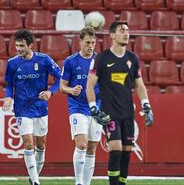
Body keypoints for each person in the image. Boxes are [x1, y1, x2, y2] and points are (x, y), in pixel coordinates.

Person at [86, 21, 154, 185]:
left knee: (126, 152)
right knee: (115, 149)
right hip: (110, 113)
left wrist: (146, 105)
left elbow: (139, 84)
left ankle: (121, 183)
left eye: (128, 30)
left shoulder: (132, 58)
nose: (126, 33)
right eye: (122, 30)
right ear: (112, 35)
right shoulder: (102, 58)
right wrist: (94, 109)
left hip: (127, 113)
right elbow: (89, 85)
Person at [1, 29, 62, 185]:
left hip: (41, 108)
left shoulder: (44, 60)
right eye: (17, 46)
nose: (19, 49)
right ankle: (35, 181)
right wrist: (8, 97)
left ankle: (34, 174)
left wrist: (51, 92)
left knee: (41, 145)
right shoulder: (12, 63)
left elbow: (60, 78)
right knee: (29, 143)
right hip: (22, 109)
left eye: (22, 45)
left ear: (30, 45)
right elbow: (9, 84)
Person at [60, 27, 102, 185]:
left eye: (93, 42)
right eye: (87, 42)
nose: (91, 46)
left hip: (96, 108)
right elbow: (62, 86)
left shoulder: (100, 61)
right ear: (80, 42)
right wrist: (71, 89)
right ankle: (78, 182)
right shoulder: (70, 61)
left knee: (92, 147)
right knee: (82, 144)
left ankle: (86, 183)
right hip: (77, 107)